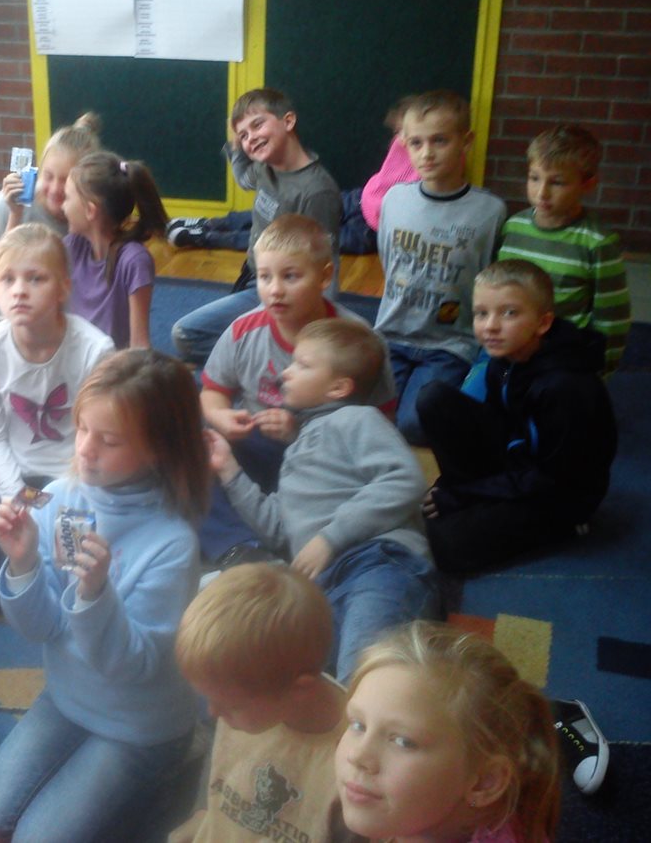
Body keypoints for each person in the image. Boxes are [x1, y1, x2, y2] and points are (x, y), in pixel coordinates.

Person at [0, 349, 210, 843]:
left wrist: (97, 595)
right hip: (67, 697)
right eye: (82, 429)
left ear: (158, 450)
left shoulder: (173, 543)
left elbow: (134, 666)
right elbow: (40, 628)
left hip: (141, 725)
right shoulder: (56, 496)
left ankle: (176, 759)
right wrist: (23, 562)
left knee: (38, 838)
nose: (85, 449)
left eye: (109, 440)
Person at [208, 318, 437, 681]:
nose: (286, 373)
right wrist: (229, 470)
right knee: (290, 677)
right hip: (320, 586)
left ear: (338, 387)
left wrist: (329, 539)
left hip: (377, 563)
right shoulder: (298, 447)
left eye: (302, 365)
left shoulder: (357, 419)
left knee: (364, 678)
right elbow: (279, 530)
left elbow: (405, 479)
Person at [199, 214, 395, 543]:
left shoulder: (358, 340)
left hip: (324, 462)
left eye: (290, 276)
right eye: (264, 277)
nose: (275, 290)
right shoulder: (243, 331)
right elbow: (212, 390)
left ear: (325, 276)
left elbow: (382, 423)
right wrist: (221, 416)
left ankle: (274, 534)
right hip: (256, 446)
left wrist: (300, 434)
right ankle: (240, 546)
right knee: (195, 449)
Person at [416, 259, 617, 574]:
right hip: (520, 462)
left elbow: (553, 479)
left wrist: (463, 495)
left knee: (444, 544)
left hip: (559, 493)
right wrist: (460, 491)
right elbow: (497, 424)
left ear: (543, 323)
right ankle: (469, 499)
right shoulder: (506, 357)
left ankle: (567, 527)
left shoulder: (567, 388)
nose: (491, 326)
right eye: (482, 313)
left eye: (509, 313)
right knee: (434, 398)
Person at [0, 224, 114, 608]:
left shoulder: (95, 351)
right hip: (20, 477)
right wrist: (16, 494)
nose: (19, 290)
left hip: (79, 475)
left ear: (63, 288)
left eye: (35, 278)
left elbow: (99, 437)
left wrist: (64, 497)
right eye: (8, 280)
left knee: (75, 575)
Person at [171, 563, 358, 843]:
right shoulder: (244, 703)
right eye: (210, 699)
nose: (213, 713)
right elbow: (220, 779)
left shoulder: (354, 764)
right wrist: (200, 818)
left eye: (230, 706)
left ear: (299, 690)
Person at [336, 621, 560, 843]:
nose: (357, 756)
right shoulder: (412, 813)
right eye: (357, 725)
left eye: (403, 741)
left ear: (485, 782)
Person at [169, 87, 342, 365]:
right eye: (243, 135)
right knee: (186, 335)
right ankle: (256, 355)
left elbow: (326, 263)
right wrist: (235, 146)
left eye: (257, 125)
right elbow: (244, 179)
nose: (250, 138)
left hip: (286, 293)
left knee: (196, 336)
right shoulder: (265, 167)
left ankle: (268, 356)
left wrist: (319, 332)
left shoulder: (317, 192)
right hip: (255, 280)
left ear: (288, 121)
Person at [373, 89, 507, 444]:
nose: (426, 153)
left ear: (466, 141)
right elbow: (390, 261)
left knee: (415, 425)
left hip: (449, 344)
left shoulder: (490, 211)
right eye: (416, 143)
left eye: (440, 141)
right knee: (369, 418)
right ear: (404, 143)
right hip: (391, 335)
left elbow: (489, 277)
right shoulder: (394, 200)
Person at [498, 124, 631, 377]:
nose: (542, 192)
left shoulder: (598, 243)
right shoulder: (513, 227)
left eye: (557, 182)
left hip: (561, 360)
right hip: (505, 352)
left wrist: (599, 373)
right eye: (534, 178)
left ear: (588, 184)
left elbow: (612, 318)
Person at [0, 113, 103, 323]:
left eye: (65, 181)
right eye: (48, 176)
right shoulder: (4, 208)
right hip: (13, 319)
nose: (54, 189)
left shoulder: (93, 215)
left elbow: (98, 289)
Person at [62, 150, 167, 348]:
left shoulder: (133, 261)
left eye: (67, 198)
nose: (62, 206)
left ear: (90, 210)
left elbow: (139, 345)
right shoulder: (71, 246)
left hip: (111, 364)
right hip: (74, 358)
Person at [341, 96, 420, 255]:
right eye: (397, 132)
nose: (399, 139)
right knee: (323, 204)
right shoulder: (401, 149)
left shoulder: (425, 162)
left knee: (320, 240)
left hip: (370, 228)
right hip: (360, 197)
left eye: (403, 132)